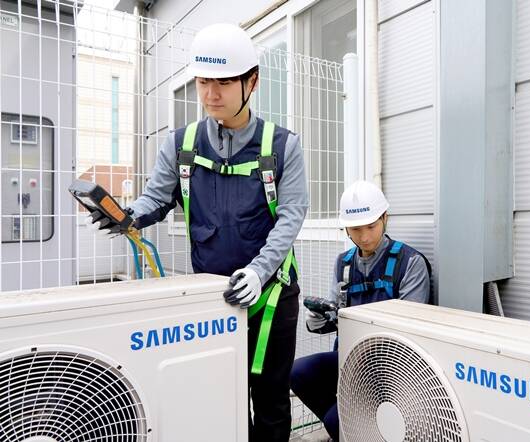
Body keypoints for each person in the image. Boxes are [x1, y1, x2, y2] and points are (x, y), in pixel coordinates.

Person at [86, 23, 308, 442]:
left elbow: (291, 215)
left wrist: (259, 271)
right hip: (213, 298)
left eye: (223, 83)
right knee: (220, 399)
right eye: (203, 82)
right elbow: (156, 198)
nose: (210, 94)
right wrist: (126, 216)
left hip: (271, 295)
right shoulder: (181, 144)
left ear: (252, 81)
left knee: (272, 402)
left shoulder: (281, 146)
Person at [289, 180, 432, 441]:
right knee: (298, 373)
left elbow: (409, 332)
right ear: (346, 228)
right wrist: (319, 320)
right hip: (349, 358)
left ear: (385, 218)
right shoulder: (343, 264)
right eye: (356, 229)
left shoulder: (410, 263)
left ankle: (349, 426)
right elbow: (335, 315)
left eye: (371, 226)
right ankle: (355, 427)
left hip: (392, 369)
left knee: (335, 421)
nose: (364, 237)